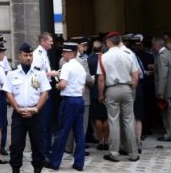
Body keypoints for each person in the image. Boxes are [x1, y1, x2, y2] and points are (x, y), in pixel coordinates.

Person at [4, 43, 50, 173]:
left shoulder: (39, 73)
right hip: (19, 114)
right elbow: (8, 92)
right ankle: (16, 170)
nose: (28, 58)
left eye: (30, 55)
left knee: (38, 145)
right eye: (26, 55)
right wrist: (17, 108)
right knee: (16, 146)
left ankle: (37, 170)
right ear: (20, 56)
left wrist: (36, 109)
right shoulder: (12, 73)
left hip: (35, 114)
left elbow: (45, 93)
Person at [96, 31, 139, 163]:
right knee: (129, 120)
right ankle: (133, 153)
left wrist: (101, 94)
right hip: (127, 88)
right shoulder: (128, 55)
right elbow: (135, 76)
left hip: (112, 89)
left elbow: (101, 79)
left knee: (113, 121)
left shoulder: (103, 57)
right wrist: (132, 91)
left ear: (109, 42)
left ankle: (114, 153)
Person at [48, 41, 87, 171]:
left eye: (64, 52)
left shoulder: (66, 66)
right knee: (79, 134)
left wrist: (57, 86)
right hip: (79, 100)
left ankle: (54, 162)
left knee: (62, 132)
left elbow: (63, 84)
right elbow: (82, 87)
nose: (63, 54)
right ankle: (79, 163)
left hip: (69, 101)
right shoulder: (80, 66)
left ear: (71, 53)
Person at [33, 32, 58, 159]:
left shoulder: (44, 53)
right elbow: (35, 74)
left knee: (48, 124)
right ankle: (43, 153)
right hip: (42, 91)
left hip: (47, 89)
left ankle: (47, 150)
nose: (52, 43)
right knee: (44, 124)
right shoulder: (37, 55)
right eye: (50, 41)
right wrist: (50, 74)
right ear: (43, 41)